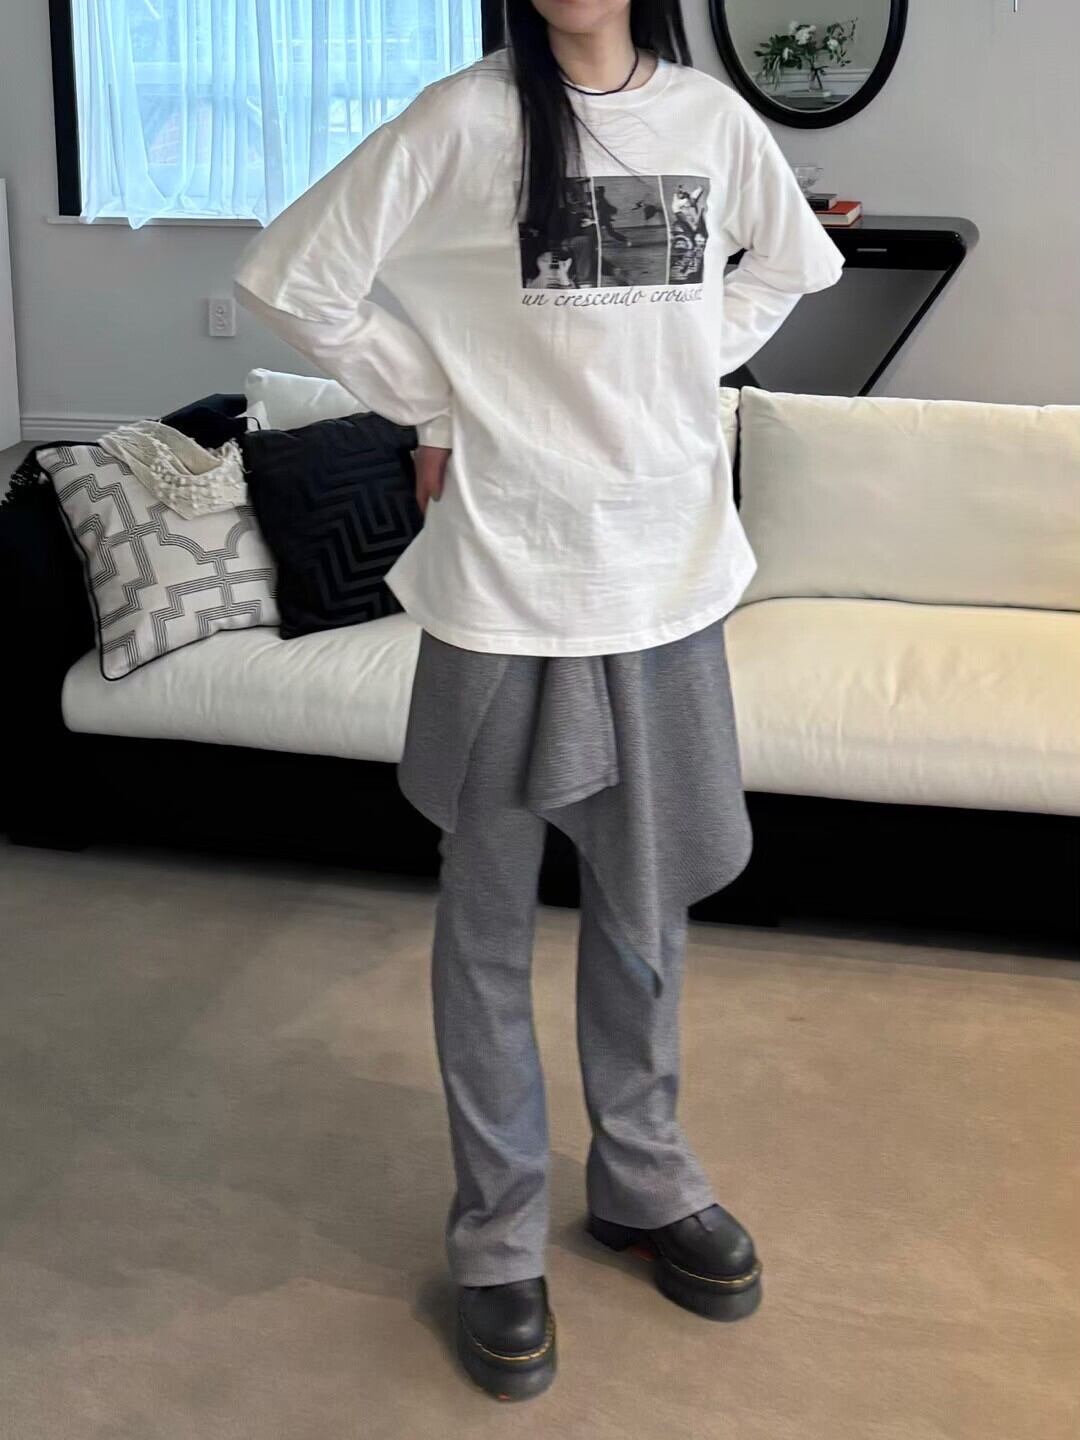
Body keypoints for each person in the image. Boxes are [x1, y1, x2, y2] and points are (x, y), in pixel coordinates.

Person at [233, 0, 844, 1404]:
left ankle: (644, 1177)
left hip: (668, 578)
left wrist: (686, 352)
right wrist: (437, 400)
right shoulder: (463, 119)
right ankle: (498, 1231)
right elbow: (295, 276)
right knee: (487, 921)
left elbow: (793, 263)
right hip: (507, 583)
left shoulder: (707, 120)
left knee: (645, 908)